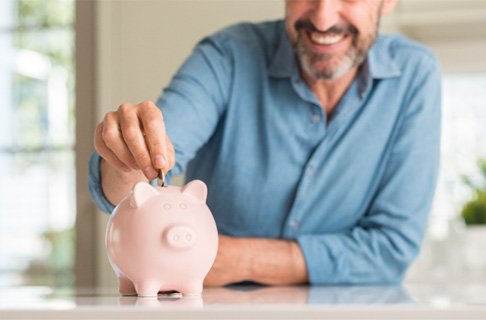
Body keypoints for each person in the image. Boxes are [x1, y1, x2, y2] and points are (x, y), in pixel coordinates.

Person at [89, 0, 441, 286]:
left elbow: (391, 250)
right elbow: (135, 185)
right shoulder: (227, 56)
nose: (322, 17)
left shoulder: (414, 75)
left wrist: (233, 258)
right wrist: (126, 157)